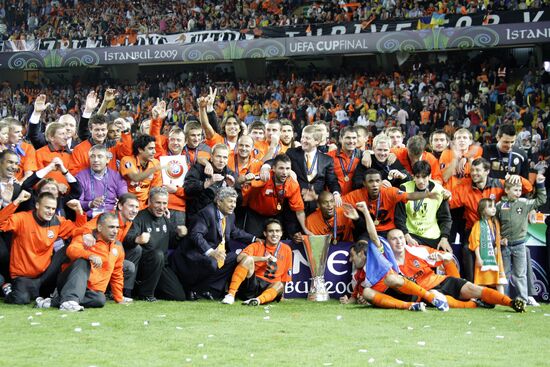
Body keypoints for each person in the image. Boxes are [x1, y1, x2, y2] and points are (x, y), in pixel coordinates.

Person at [339, 201, 448, 311]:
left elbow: (373, 235)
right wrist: (349, 301)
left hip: (403, 289)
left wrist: (366, 212)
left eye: (352, 256)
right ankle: (411, 307)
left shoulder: (379, 256)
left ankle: (432, 298)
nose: (350, 259)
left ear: (362, 253)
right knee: (367, 292)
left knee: (390, 278)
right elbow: (356, 296)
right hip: (391, 297)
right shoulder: (360, 275)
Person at [387, 228, 526, 312]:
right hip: (426, 292)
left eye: (400, 238)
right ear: (389, 243)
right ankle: (474, 304)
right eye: (394, 239)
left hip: (442, 281)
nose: (399, 241)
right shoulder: (388, 263)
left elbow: (448, 256)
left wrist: (440, 255)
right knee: (438, 296)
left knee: (473, 288)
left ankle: (511, 302)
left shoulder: (417, 250)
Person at [450, 157, 532, 282]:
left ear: (487, 171)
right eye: (472, 170)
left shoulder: (499, 184)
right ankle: (472, 287)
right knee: (467, 249)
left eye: (478, 170)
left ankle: (528, 293)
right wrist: (444, 194)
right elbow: (451, 202)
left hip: (497, 230)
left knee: (523, 250)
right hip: (473, 229)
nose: (474, 173)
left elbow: (527, 188)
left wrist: (519, 179)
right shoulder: (465, 186)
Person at [0, 191, 87, 304]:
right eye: (47, 208)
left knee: (70, 249)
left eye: (53, 209)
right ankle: (7, 288)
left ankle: (67, 291)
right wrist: (16, 202)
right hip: (23, 276)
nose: (50, 212)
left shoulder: (56, 221)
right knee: (21, 299)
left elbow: (78, 231)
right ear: (37, 205)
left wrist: (79, 211)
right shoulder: (22, 218)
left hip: (45, 274)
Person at [171, 187, 256, 300]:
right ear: (219, 202)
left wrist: (254, 239)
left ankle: (208, 290)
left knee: (237, 257)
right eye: (230, 201)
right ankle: (193, 290)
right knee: (212, 262)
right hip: (192, 255)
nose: (233, 205)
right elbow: (196, 235)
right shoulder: (206, 213)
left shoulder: (230, 215)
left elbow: (234, 231)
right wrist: (211, 252)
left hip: (214, 253)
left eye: (234, 201)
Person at [37, 212, 131, 311]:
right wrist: (89, 255)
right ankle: (71, 300)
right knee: (83, 261)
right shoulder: (86, 237)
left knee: (100, 300)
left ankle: (53, 302)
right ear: (99, 228)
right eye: (111, 227)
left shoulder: (118, 247)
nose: (115, 231)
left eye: (117, 227)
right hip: (69, 281)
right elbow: (71, 250)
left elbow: (117, 274)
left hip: (92, 290)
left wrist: (119, 298)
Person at [123, 187, 186, 302]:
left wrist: (179, 235)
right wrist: (137, 239)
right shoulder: (139, 217)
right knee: (157, 254)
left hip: (162, 265)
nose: (161, 207)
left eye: (164, 203)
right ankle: (146, 294)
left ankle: (145, 288)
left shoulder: (165, 219)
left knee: (178, 296)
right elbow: (127, 238)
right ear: (149, 202)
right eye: (158, 203)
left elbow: (171, 242)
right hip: (144, 265)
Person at [344, 168, 440, 237]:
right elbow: (340, 203)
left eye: (377, 181)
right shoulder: (357, 195)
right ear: (364, 183)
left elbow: (409, 196)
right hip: (368, 230)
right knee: (362, 247)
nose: (374, 185)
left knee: (397, 241)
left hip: (389, 230)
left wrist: (426, 195)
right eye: (370, 181)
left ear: (381, 182)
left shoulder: (390, 192)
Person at [497, 174, 546, 304]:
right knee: (505, 274)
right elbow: (494, 225)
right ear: (507, 190)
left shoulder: (524, 203)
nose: (518, 193)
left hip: (519, 245)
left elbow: (541, 200)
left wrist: (540, 185)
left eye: (519, 190)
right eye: (515, 190)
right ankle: (505, 300)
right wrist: (500, 238)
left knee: (520, 274)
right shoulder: (499, 205)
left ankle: (523, 299)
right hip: (505, 246)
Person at [221, 219, 292, 306]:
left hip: (270, 287)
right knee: (248, 259)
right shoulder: (256, 245)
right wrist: (263, 259)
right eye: (271, 231)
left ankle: (257, 301)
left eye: (277, 231)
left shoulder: (286, 249)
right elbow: (240, 258)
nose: (274, 234)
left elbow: (285, 276)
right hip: (252, 284)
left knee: (280, 285)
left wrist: (281, 295)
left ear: (281, 233)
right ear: (265, 233)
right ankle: (230, 295)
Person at [244, 154, 307, 238]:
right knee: (252, 241)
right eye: (281, 168)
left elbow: (299, 211)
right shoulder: (264, 176)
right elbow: (243, 182)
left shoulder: (293, 184)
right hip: (256, 216)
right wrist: (245, 178)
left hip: (276, 215)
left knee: (276, 242)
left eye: (287, 168)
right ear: (273, 168)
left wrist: (305, 229)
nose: (284, 172)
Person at [395, 161, 452, 252]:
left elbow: (445, 218)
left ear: (430, 176)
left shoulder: (440, 191)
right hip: (411, 234)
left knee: (446, 255)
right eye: (417, 177)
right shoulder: (404, 189)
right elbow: (399, 217)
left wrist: (444, 238)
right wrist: (406, 235)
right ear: (413, 176)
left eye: (424, 177)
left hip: (432, 236)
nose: (421, 181)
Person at [184, 143, 236, 218]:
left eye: (225, 157)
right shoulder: (199, 168)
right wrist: (207, 183)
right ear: (211, 157)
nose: (221, 160)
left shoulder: (230, 174)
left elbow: (238, 201)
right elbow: (187, 189)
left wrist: (231, 187)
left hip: (219, 218)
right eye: (218, 156)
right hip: (198, 215)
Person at [76, 144, 128, 218]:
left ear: (107, 160)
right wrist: (90, 204)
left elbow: (125, 198)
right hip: (89, 218)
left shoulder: (116, 176)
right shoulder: (81, 177)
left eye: (100, 156)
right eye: (92, 157)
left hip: (112, 217)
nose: (95, 160)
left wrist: (119, 204)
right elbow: (77, 203)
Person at [468, 198, 506, 293]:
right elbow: (475, 242)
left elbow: (496, 238)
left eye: (494, 206)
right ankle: (479, 299)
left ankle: (501, 299)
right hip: (483, 256)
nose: (494, 209)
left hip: (496, 256)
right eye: (490, 207)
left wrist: (501, 241)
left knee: (499, 280)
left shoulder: (495, 223)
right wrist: (479, 258)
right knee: (482, 280)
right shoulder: (478, 224)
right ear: (482, 210)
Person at [119, 134, 162, 209]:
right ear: (140, 149)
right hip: (127, 204)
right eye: (151, 148)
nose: (154, 152)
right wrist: (153, 169)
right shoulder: (127, 161)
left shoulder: (155, 163)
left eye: (154, 148)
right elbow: (135, 177)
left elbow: (155, 188)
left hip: (145, 205)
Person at [327, 127, 362, 195]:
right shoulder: (330, 156)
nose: (351, 141)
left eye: (354, 138)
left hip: (354, 199)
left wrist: (368, 153)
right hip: (335, 198)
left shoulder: (362, 156)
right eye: (348, 138)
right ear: (340, 139)